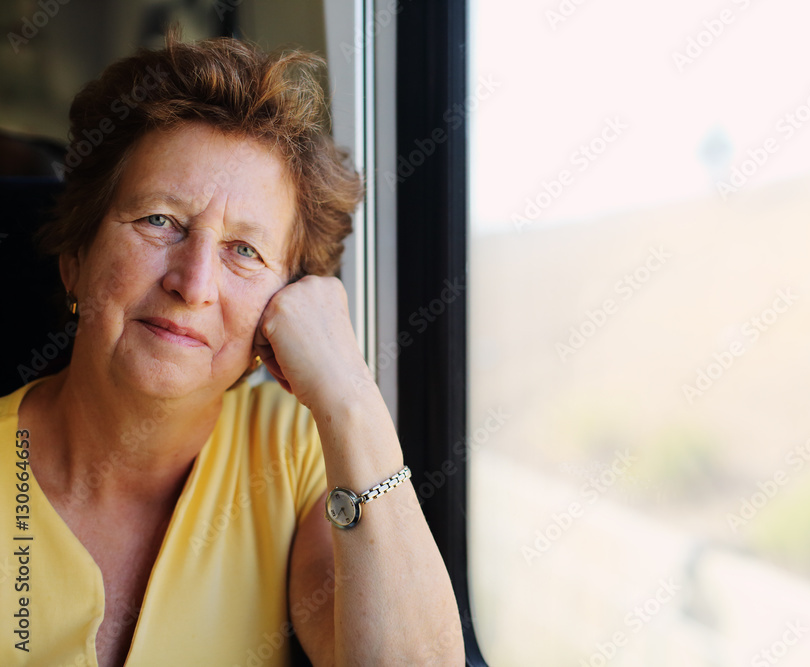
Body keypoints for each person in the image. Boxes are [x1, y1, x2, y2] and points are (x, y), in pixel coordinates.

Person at [0, 32, 464, 666]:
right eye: (159, 220)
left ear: (284, 307)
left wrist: (351, 397)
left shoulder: (299, 455)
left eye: (244, 251)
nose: (192, 284)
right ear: (75, 258)